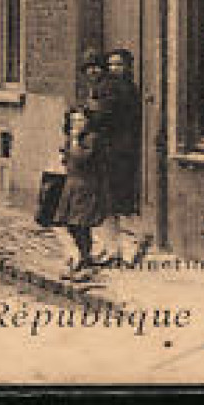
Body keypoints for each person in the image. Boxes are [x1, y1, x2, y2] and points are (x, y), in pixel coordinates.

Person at [93, 47, 147, 267]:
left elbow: (103, 117)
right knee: (107, 203)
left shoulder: (122, 91)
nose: (114, 68)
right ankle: (112, 248)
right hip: (107, 151)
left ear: (128, 67)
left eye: (119, 64)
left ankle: (129, 249)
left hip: (121, 152)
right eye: (111, 64)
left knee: (122, 202)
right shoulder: (108, 88)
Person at [53, 105, 106, 282]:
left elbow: (81, 159)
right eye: (73, 120)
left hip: (87, 185)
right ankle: (82, 260)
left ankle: (85, 262)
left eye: (81, 120)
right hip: (72, 184)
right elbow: (67, 159)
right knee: (70, 224)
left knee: (81, 224)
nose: (77, 124)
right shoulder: (71, 139)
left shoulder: (92, 139)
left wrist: (75, 141)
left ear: (88, 122)